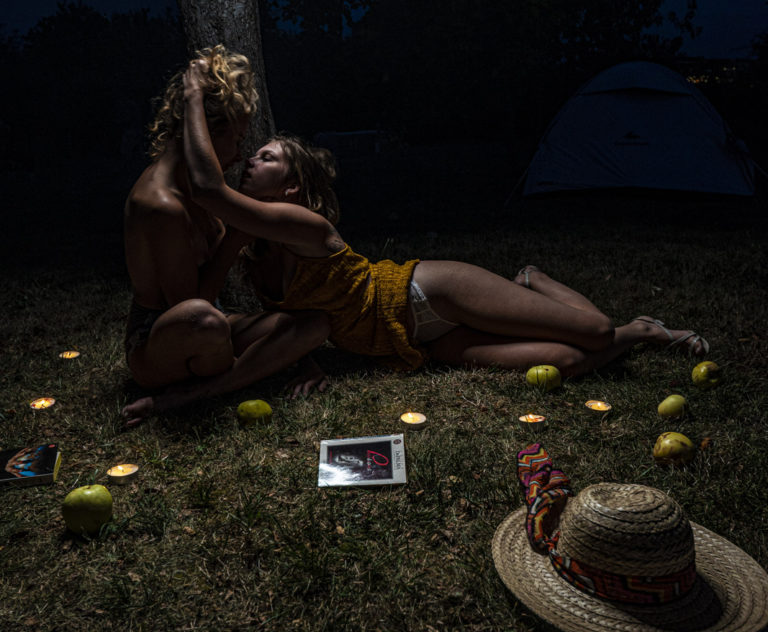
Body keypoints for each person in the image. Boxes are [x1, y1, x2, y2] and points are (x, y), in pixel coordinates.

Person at [178, 53, 708, 387]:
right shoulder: (251, 245)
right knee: (566, 364)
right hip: (425, 344)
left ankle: (536, 281)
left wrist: (194, 98)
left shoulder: (302, 224)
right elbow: (211, 301)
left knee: (595, 332)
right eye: (253, 155)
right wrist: (305, 359)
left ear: (292, 188)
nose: (250, 161)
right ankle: (641, 331)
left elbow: (207, 188)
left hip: (429, 293)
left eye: (266, 157)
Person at [121, 47, 330, 428]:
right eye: (237, 139)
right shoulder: (161, 203)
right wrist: (234, 242)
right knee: (206, 321)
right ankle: (207, 388)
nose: (239, 156)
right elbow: (190, 307)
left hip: (214, 328)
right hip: (160, 340)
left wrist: (296, 352)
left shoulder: (196, 187)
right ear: (208, 132)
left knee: (313, 325)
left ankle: (236, 373)